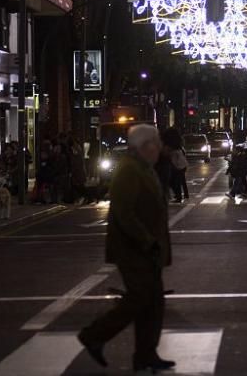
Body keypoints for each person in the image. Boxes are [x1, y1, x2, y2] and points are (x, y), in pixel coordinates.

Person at [78, 124, 174, 372]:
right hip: (133, 249)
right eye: (155, 142)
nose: (159, 148)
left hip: (148, 249)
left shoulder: (144, 167)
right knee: (140, 299)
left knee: (153, 304)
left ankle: (146, 353)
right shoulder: (129, 170)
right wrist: (146, 240)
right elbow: (124, 212)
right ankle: (94, 334)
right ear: (145, 146)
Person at [162, 129, 189, 203]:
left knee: (175, 181)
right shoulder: (179, 143)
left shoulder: (170, 145)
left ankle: (179, 197)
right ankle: (183, 195)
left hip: (177, 165)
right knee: (180, 180)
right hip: (182, 165)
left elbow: (169, 156)